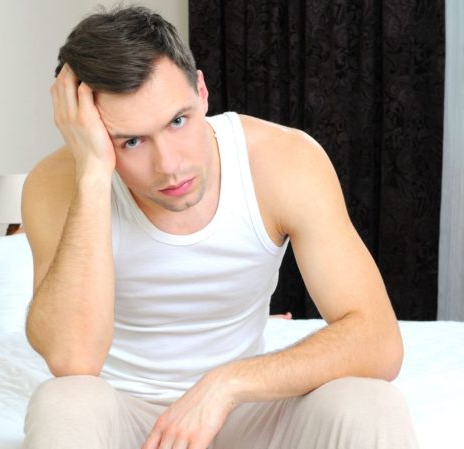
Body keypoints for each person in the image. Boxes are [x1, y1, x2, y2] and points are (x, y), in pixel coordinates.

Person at [21, 6, 417, 449]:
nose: (170, 167)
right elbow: (72, 358)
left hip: (246, 409)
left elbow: (378, 340)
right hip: (125, 416)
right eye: (130, 141)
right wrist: (93, 172)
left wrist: (225, 385)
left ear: (203, 92)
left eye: (178, 121)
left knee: (371, 402)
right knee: (63, 401)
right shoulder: (55, 185)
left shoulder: (283, 160)